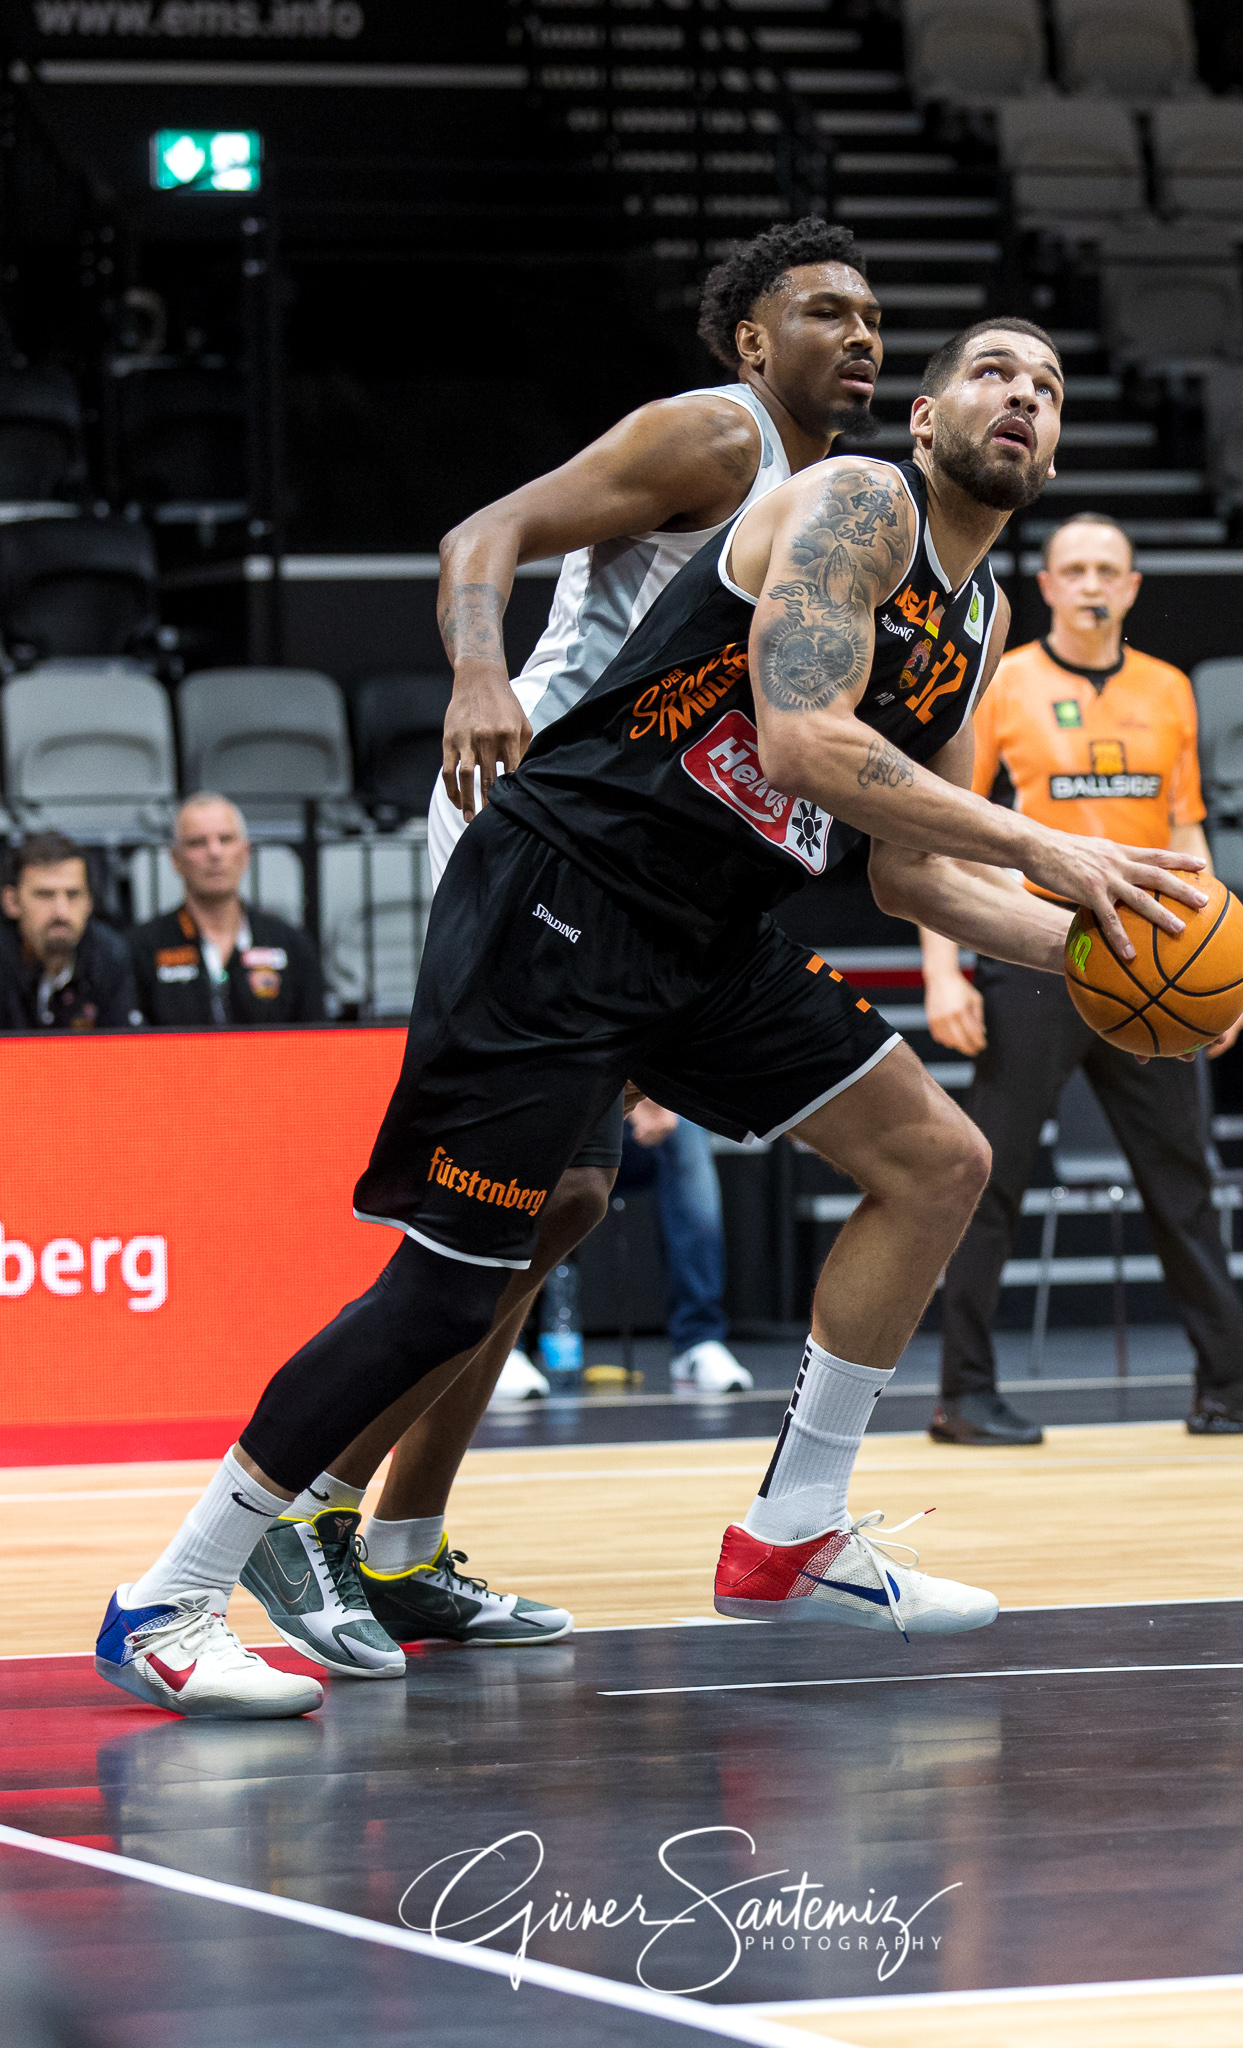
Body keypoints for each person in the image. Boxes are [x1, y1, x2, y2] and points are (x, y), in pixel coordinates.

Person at [95, 315, 1224, 1721]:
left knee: (936, 1160)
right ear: (924, 421)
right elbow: (809, 738)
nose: (1025, 397)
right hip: (566, 888)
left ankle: (790, 1531)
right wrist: (1045, 844)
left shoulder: (983, 619)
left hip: (702, 931)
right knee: (455, 1279)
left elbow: (906, 866)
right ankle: (170, 1596)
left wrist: (1100, 947)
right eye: (992, 371)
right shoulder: (858, 506)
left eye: (1051, 387)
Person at [228, 217, 896, 1681]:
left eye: (873, 316)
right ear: (749, 340)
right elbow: (484, 535)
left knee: (569, 1208)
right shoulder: (719, 438)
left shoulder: (842, 505)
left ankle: (402, 1549)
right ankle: (302, 1514)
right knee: (496, 1223)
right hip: (532, 830)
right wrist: (478, 671)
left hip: (631, 871)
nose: (861, 335)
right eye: (825, 311)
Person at [921, 512, 1243, 1444]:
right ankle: (963, 1392)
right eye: (1076, 568)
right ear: (1053, 586)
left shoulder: (1171, 690)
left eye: (1110, 568)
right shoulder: (1005, 683)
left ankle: (1233, 1382)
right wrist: (944, 971)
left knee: (1183, 1176)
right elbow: (942, 830)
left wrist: (1220, 961)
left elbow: (1186, 832)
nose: (1094, 582)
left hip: (1156, 958)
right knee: (990, 1176)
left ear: (1134, 586)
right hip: (1037, 949)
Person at [130, 793, 326, 1027]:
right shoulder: (140, 949)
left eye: (225, 839)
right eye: (197, 843)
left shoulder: (292, 945)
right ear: (176, 859)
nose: (214, 853)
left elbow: (317, 1044)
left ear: (245, 853)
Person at [621, 1097, 748, 1391]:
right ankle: (503, 1343)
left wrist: (650, 1096)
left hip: (645, 1112)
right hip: (573, 1097)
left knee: (686, 1129)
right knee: (536, 1124)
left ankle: (698, 1340)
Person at [0, 832, 138, 1032]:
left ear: (89, 902)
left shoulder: (110, 956)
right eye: (44, 895)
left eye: (73, 895)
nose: (61, 912)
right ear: (11, 902)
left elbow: (121, 1052)